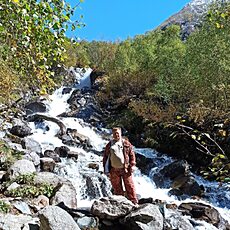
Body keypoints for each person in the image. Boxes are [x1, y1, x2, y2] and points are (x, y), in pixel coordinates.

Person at [103, 127, 138, 204]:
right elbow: (105, 157)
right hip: (114, 170)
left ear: (120, 133)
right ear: (112, 134)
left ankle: (134, 202)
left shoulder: (126, 143)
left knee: (129, 186)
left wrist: (132, 165)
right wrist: (106, 170)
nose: (116, 135)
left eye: (117, 133)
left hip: (125, 169)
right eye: (114, 133)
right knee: (117, 188)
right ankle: (120, 204)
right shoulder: (109, 145)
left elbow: (132, 155)